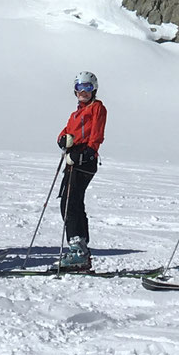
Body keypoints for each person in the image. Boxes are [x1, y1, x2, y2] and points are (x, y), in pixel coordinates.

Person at [55, 70, 107, 270]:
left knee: (70, 202)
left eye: (87, 87)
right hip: (72, 158)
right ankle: (80, 249)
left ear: (94, 89)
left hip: (84, 159)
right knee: (71, 201)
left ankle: (78, 251)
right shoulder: (75, 113)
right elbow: (66, 131)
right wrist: (62, 139)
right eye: (79, 88)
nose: (83, 92)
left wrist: (86, 153)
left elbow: (97, 135)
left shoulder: (97, 108)